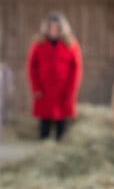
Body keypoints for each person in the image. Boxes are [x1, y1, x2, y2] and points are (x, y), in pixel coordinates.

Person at [26, 12, 83, 140]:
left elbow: (76, 70)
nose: (54, 30)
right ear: (46, 28)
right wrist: (36, 88)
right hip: (44, 90)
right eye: (51, 27)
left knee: (62, 126)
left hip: (63, 91)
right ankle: (44, 146)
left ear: (63, 29)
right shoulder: (38, 44)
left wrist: (71, 91)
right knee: (44, 125)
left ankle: (60, 146)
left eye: (57, 27)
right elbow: (32, 68)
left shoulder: (71, 45)